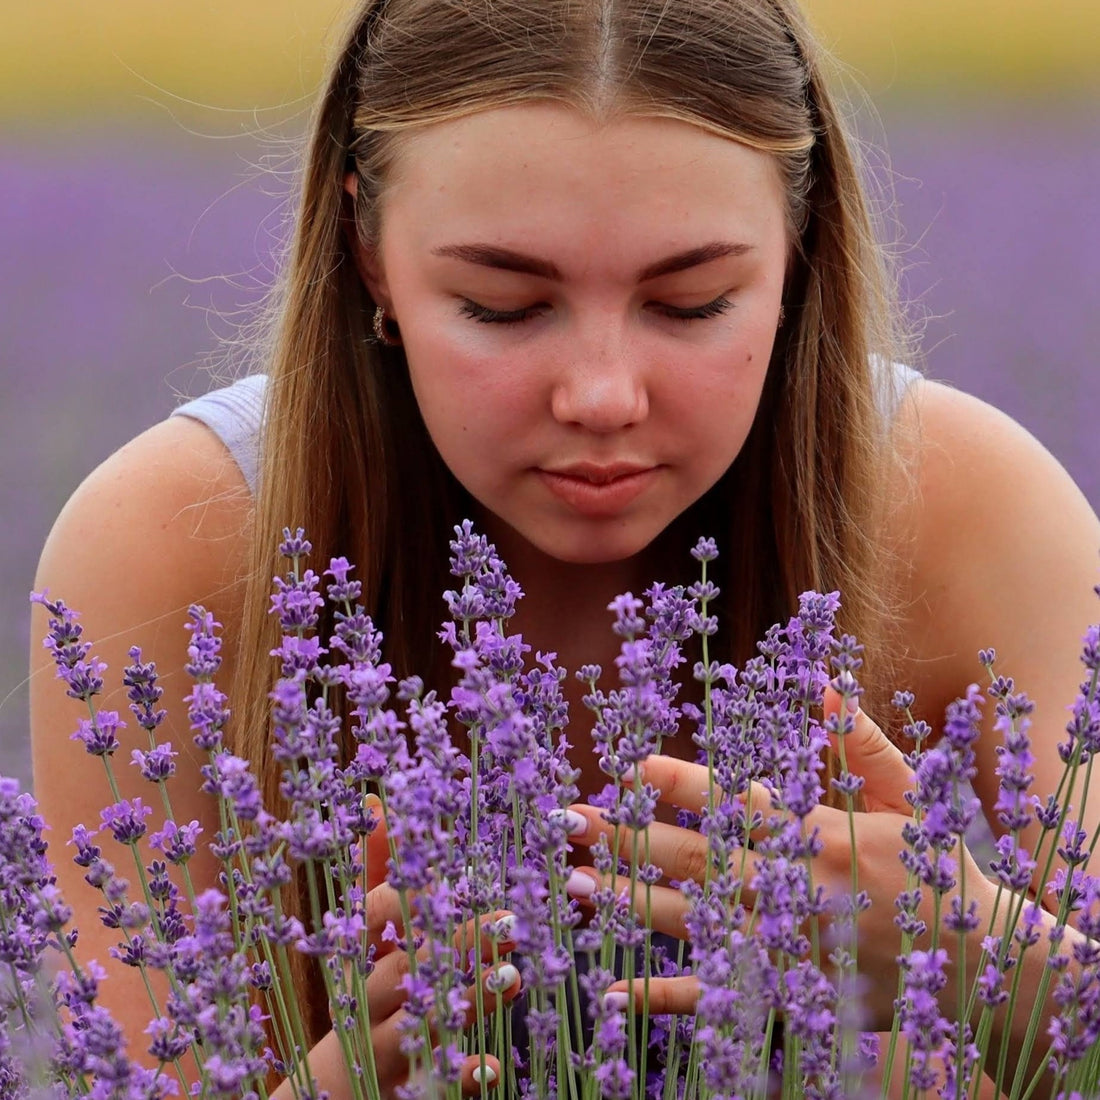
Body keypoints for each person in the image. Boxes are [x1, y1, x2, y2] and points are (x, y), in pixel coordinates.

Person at [29, 0, 1100, 1096]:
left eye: (690, 303)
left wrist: (985, 956)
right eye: (501, 305)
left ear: (798, 250)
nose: (600, 394)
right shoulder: (182, 539)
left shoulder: (959, 508)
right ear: (366, 250)